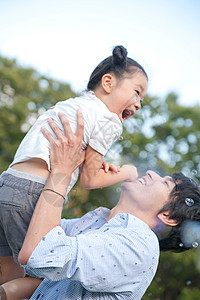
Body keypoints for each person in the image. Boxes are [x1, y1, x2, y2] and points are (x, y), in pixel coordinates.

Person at [1, 112, 200, 300]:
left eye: (165, 183)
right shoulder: (99, 221)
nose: (150, 173)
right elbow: (25, 232)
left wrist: (63, 172)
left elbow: (38, 251)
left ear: (168, 216)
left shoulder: (138, 247)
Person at [0, 45, 148, 284]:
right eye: (137, 92)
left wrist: (97, 162)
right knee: (42, 271)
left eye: (141, 98)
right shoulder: (110, 120)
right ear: (108, 83)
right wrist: (127, 173)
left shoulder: (71, 104)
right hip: (33, 194)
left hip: (8, 183)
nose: (139, 103)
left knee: (8, 269)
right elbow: (90, 180)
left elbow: (75, 154)